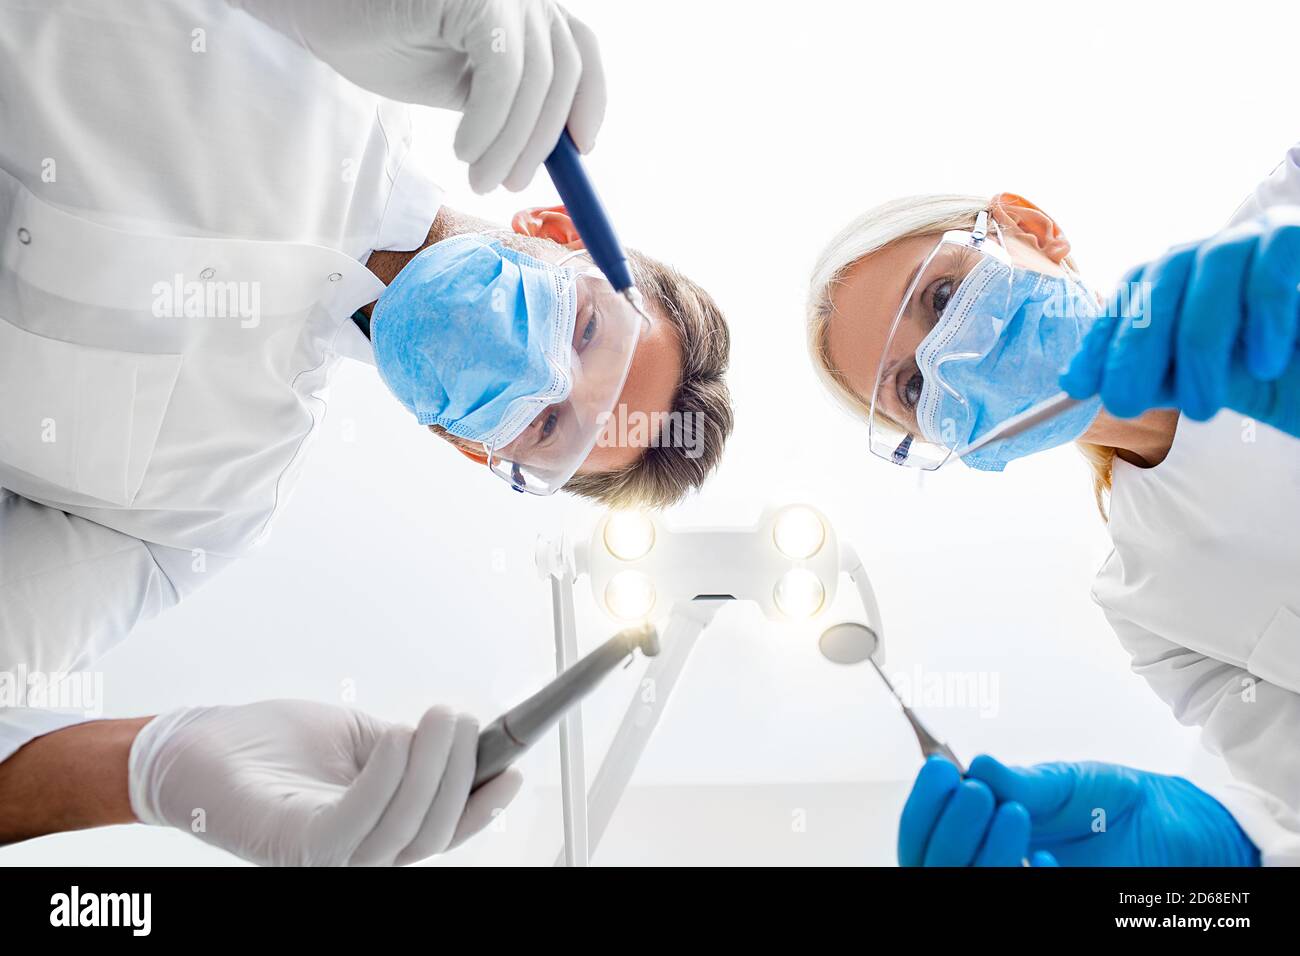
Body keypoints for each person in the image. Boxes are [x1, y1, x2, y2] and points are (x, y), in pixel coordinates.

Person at [0, 0, 731, 865]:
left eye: (547, 424)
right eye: (585, 334)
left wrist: (155, 771)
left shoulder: (203, 506)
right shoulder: (357, 44)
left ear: (473, 446)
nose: (545, 378)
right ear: (557, 227)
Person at [804, 145, 1300, 865]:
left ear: (1032, 229)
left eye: (941, 297)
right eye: (912, 389)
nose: (950, 357)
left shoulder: (1277, 231)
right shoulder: (1151, 609)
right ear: (956, 447)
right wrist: (1209, 876)